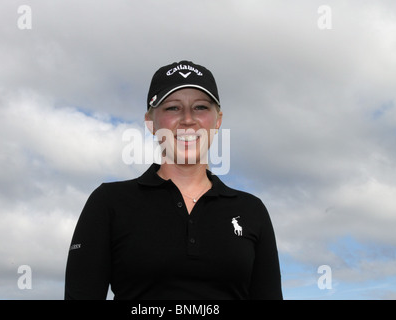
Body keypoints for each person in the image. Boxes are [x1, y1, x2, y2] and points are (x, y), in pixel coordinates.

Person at [64, 60, 283, 300]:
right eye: (172, 108)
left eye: (200, 107)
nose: (188, 119)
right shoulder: (109, 203)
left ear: (217, 120)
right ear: (151, 121)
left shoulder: (251, 210)